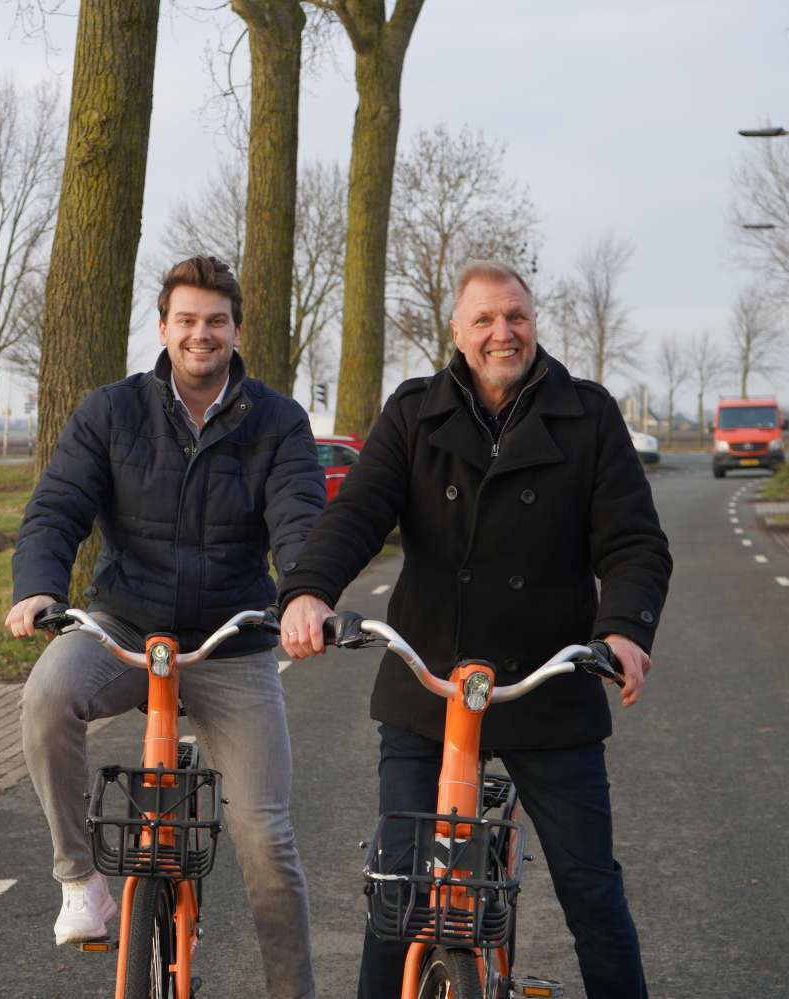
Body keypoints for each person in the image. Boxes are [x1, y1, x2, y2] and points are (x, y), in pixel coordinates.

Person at [278, 260, 671, 999]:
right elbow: (356, 514)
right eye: (485, 319)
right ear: (457, 333)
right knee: (397, 886)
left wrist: (623, 631)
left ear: (534, 323)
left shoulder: (587, 415)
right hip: (429, 682)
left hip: (548, 685)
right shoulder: (414, 412)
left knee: (590, 885)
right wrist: (307, 591)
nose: (503, 332)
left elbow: (634, 543)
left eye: (516, 316)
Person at [7, 255, 322, 999]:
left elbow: (302, 521)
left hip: (231, 640)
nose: (201, 334)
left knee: (265, 837)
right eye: (186, 320)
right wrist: (40, 589)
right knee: (47, 696)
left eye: (216, 321)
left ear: (236, 330)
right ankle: (81, 878)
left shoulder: (278, 421)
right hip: (123, 623)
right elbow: (57, 508)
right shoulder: (111, 411)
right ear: (163, 327)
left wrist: (306, 593)